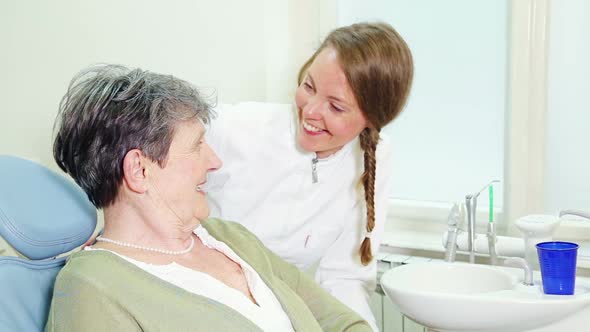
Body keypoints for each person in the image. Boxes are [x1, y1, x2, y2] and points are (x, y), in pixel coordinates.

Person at [45, 64, 371, 331]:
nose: (215, 161)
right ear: (139, 170)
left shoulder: (230, 238)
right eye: (197, 145)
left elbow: (341, 322)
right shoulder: (92, 289)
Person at [205, 22, 414, 330]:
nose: (311, 111)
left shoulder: (375, 156)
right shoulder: (232, 128)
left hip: (273, 311)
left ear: (371, 120)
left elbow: (344, 277)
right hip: (204, 301)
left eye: (336, 106)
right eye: (309, 86)